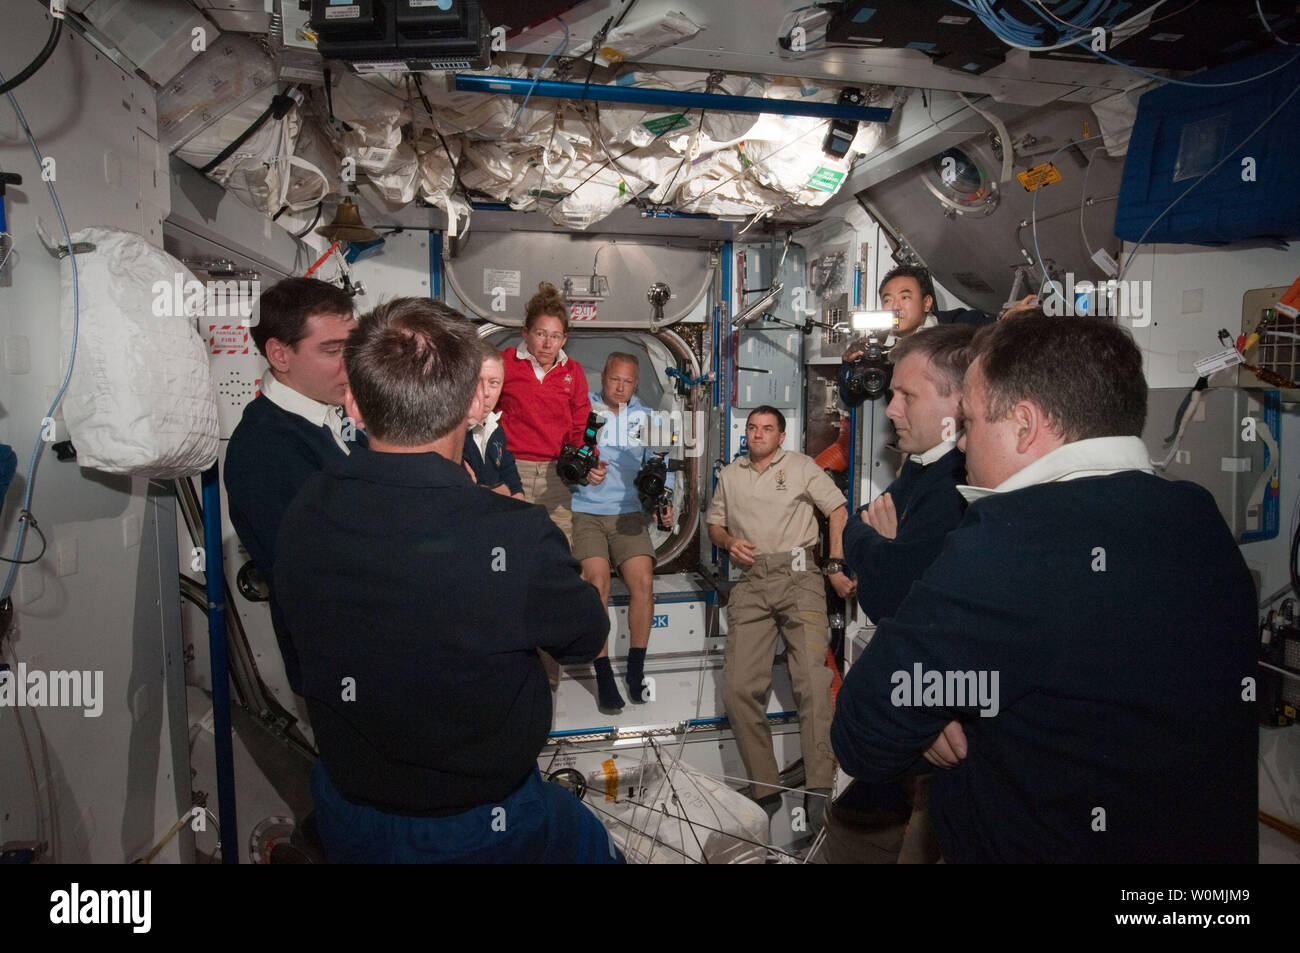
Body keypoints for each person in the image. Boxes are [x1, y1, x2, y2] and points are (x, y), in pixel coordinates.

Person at [831, 314, 1257, 863]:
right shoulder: (1196, 515)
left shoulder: (1012, 536)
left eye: (970, 423)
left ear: (1025, 426)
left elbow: (863, 731)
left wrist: (938, 712)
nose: (960, 443)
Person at [275, 297, 620, 864]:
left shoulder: (304, 509)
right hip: (483, 827)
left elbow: (298, 661)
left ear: (355, 403)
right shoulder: (519, 535)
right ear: (468, 405)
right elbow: (587, 638)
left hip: (345, 812)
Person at [706, 406, 854, 818]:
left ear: (781, 435)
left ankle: (820, 786)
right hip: (752, 580)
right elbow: (714, 523)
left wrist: (836, 562)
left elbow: (837, 510)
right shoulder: (731, 474)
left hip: (799, 579)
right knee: (737, 687)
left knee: (811, 681)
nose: (758, 434)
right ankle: (765, 787)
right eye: (752, 428)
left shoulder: (803, 467)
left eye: (767, 429)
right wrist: (727, 539)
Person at [224, 277, 360, 694]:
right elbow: (320, 572)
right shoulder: (265, 448)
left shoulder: (333, 416)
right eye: (332, 351)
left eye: (351, 347)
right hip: (341, 665)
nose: (350, 363)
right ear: (280, 355)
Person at [843, 323, 976, 624]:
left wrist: (884, 553)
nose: (891, 410)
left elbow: (888, 601)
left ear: (959, 403)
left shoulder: (958, 485)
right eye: (893, 395)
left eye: (908, 396)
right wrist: (887, 549)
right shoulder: (922, 465)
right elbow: (854, 523)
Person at [571, 352, 674, 713]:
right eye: (615, 379)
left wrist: (666, 498)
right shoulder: (583, 411)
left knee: (643, 582)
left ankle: (635, 670)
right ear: (604, 378)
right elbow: (565, 459)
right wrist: (584, 472)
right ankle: (603, 676)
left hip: (629, 513)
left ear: (636, 383)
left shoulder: (649, 418)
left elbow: (661, 466)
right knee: (596, 583)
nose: (620, 387)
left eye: (628, 381)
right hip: (587, 512)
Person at [497, 282, 591, 542]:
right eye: (541, 334)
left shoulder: (573, 371)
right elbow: (484, 414)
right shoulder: (505, 363)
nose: (548, 343)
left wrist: (585, 458)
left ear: (564, 339)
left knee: (559, 549)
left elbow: (580, 425)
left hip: (556, 475)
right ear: (525, 333)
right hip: (513, 470)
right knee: (512, 545)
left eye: (556, 336)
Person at [464, 341, 524, 499]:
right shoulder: (447, 435)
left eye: (493, 383)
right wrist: (501, 493)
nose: (485, 393)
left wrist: (515, 495)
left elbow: (511, 476)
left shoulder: (495, 428)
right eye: (477, 381)